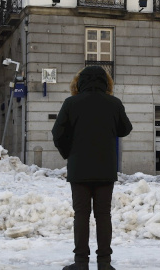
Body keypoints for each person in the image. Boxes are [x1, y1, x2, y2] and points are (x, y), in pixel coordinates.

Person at [52, 66, 132, 270]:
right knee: (103, 215)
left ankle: (81, 263)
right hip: (105, 169)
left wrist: (69, 152)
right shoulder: (113, 103)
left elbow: (58, 132)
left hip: (79, 169)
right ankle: (104, 262)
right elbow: (125, 129)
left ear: (79, 82)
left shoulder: (71, 103)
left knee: (81, 215)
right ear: (106, 82)